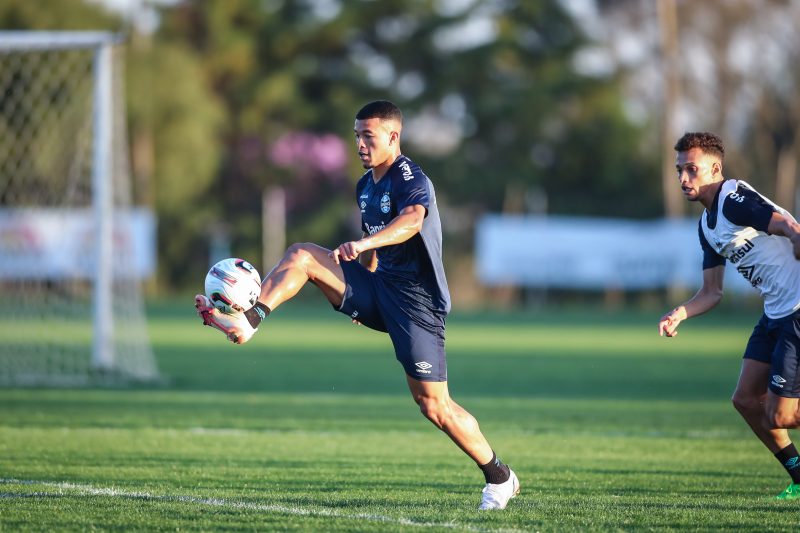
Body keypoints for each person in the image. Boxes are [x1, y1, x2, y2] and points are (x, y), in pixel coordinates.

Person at [195, 100, 520, 510]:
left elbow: (412, 222)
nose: (361, 145)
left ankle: (499, 476)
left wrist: (365, 244)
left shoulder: (409, 176)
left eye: (368, 136)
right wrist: (364, 277)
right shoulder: (365, 185)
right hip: (378, 290)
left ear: (392, 137)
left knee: (434, 406)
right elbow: (375, 240)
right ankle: (249, 319)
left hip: (418, 306)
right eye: (356, 136)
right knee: (302, 256)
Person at [658, 131, 800, 500]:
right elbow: (711, 292)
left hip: (798, 310)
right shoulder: (707, 225)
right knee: (745, 400)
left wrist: (796, 234)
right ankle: (799, 475)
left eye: (691, 169)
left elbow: (783, 224)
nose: (683, 178)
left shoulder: (732, 199)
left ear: (715, 168)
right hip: (775, 313)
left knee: (781, 416)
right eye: (679, 171)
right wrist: (681, 313)